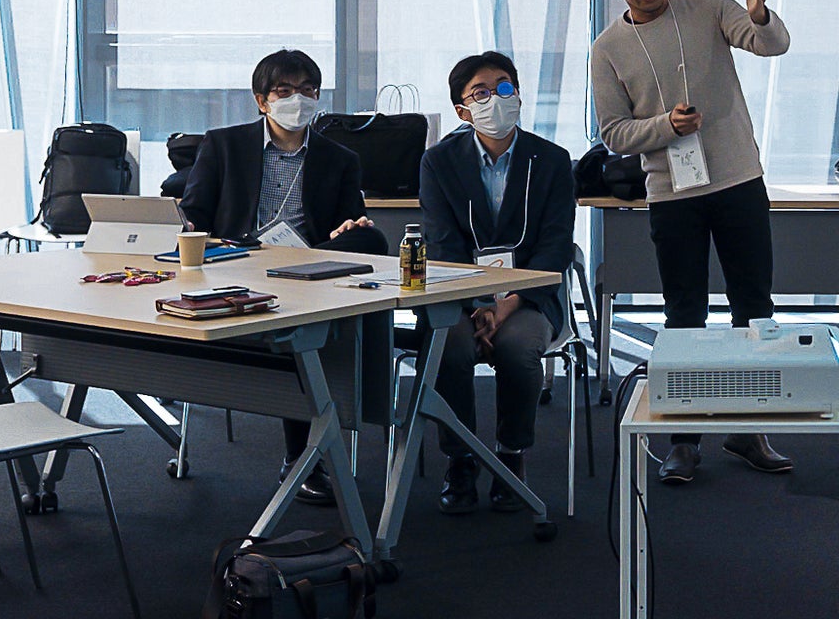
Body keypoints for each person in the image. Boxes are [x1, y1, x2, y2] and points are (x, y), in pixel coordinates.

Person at [589, 0, 794, 485]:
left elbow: (772, 45)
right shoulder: (607, 50)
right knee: (684, 313)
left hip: (738, 180)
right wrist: (666, 126)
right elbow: (613, 133)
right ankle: (684, 439)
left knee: (754, 306)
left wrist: (758, 15)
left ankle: (749, 428)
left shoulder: (706, 7)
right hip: (672, 194)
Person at [179, 49, 387, 506]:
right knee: (298, 332)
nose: (299, 99)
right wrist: (194, 233)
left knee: (372, 241)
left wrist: (348, 230)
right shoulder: (224, 144)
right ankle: (301, 458)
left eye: (308, 90)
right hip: (237, 265)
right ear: (262, 101)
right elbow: (193, 216)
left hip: (308, 271)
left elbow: (350, 224)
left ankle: (303, 456)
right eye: (285, 91)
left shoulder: (339, 158)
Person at [419, 51, 577, 514]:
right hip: (459, 295)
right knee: (447, 345)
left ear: (519, 95)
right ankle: (461, 457)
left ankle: (511, 455)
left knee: (518, 347)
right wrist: (476, 305)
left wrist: (506, 304)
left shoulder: (551, 160)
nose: (496, 98)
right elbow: (442, 244)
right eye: (481, 92)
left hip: (528, 297)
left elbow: (555, 246)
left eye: (504, 87)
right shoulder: (439, 162)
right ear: (462, 110)